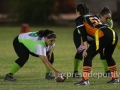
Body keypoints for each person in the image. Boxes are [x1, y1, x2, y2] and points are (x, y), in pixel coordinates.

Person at [74, 3, 119, 85]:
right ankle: (115, 78)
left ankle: (85, 79)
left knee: (87, 56)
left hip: (102, 35)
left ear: (78, 11)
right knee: (108, 56)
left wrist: (85, 49)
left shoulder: (79, 19)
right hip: (113, 33)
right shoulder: (94, 16)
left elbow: (83, 34)